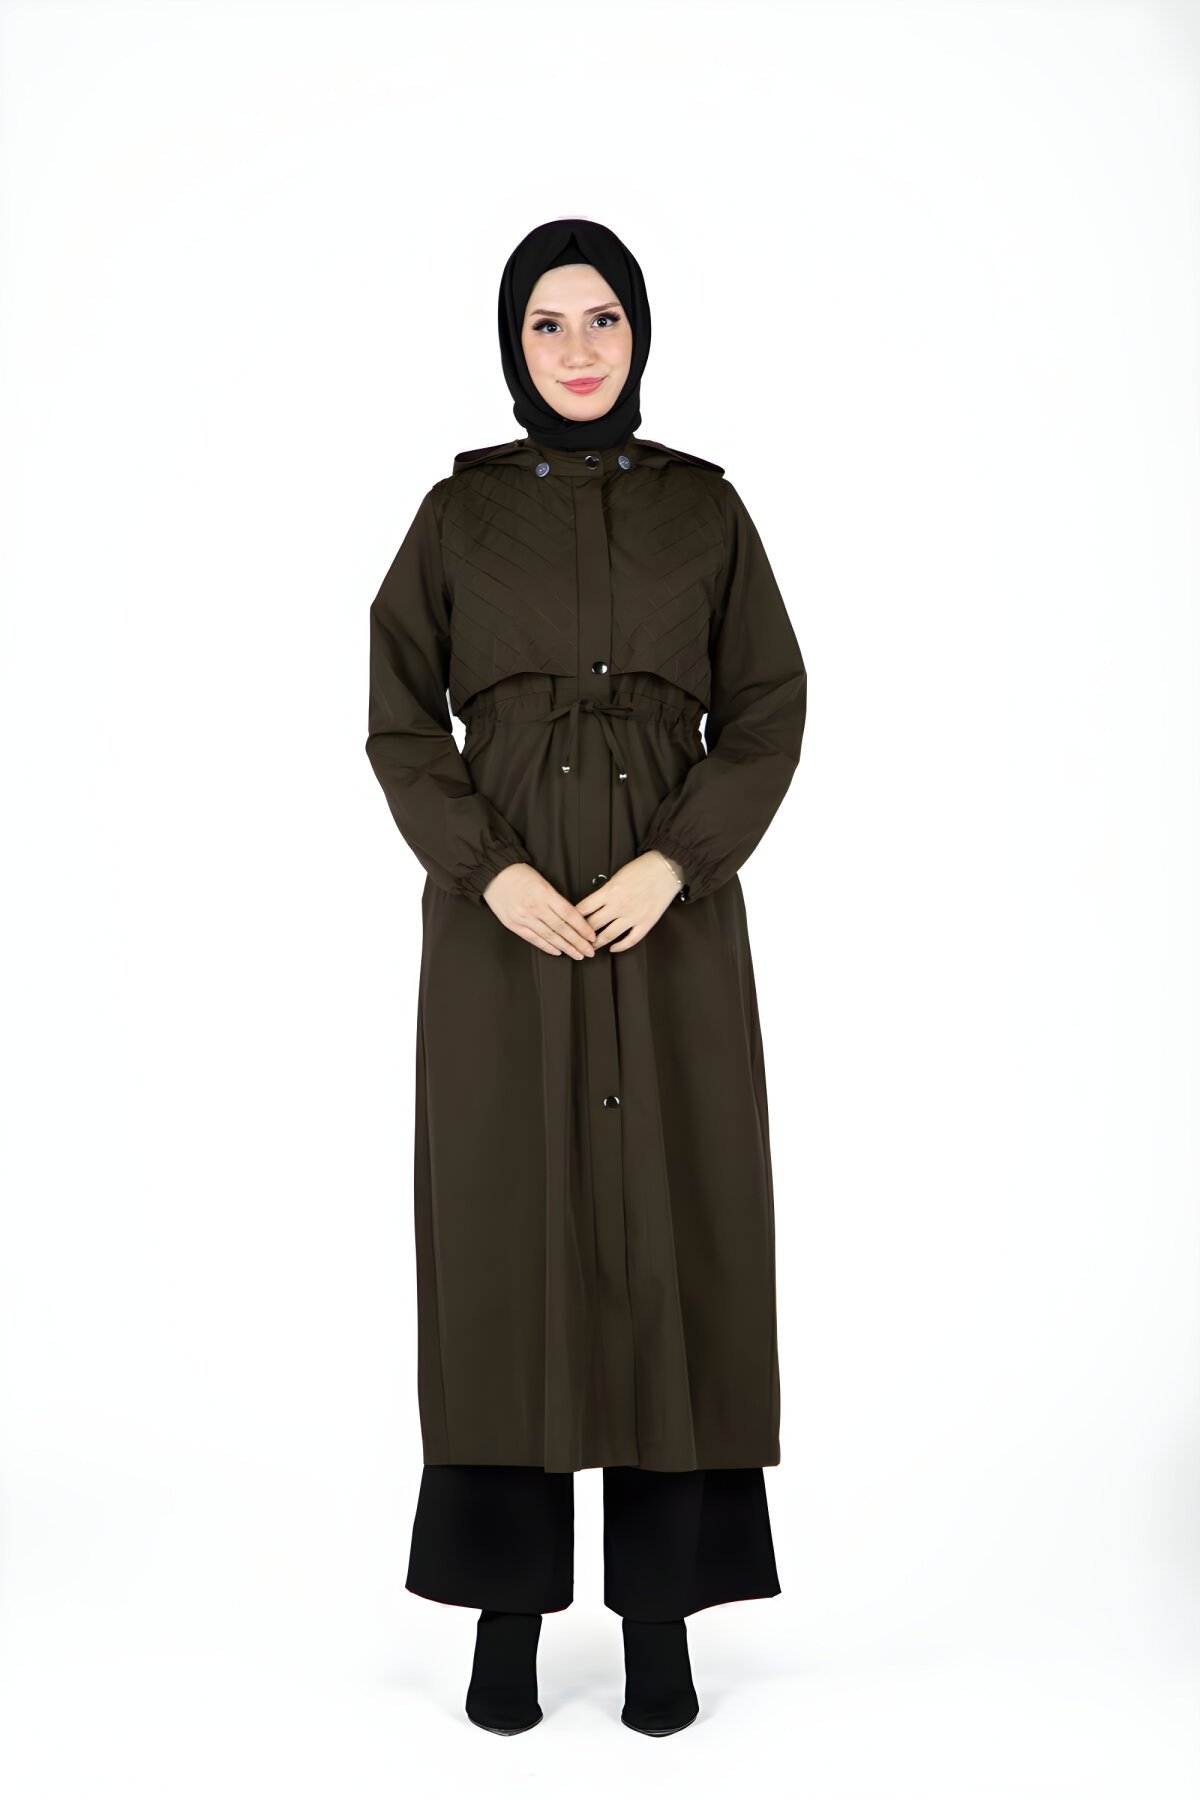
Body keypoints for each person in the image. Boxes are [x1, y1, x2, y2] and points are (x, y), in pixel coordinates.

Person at [364, 217, 808, 1736]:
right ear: (513, 343)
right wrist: (488, 870)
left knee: (678, 1235)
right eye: (546, 323)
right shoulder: (455, 517)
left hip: (668, 932)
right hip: (503, 946)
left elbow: (767, 706)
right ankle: (506, 1615)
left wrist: (675, 862)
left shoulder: (705, 509)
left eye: (601, 318)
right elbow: (400, 720)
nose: (576, 349)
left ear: (639, 335)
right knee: (509, 1243)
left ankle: (661, 1616)